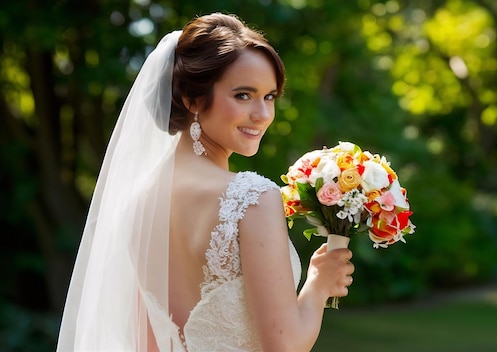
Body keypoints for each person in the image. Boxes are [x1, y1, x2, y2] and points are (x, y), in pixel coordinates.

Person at [57, 13, 354, 352]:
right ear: (193, 99)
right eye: (243, 95)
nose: (262, 114)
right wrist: (317, 287)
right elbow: (283, 346)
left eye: (270, 96)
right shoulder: (253, 197)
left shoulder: (136, 201)